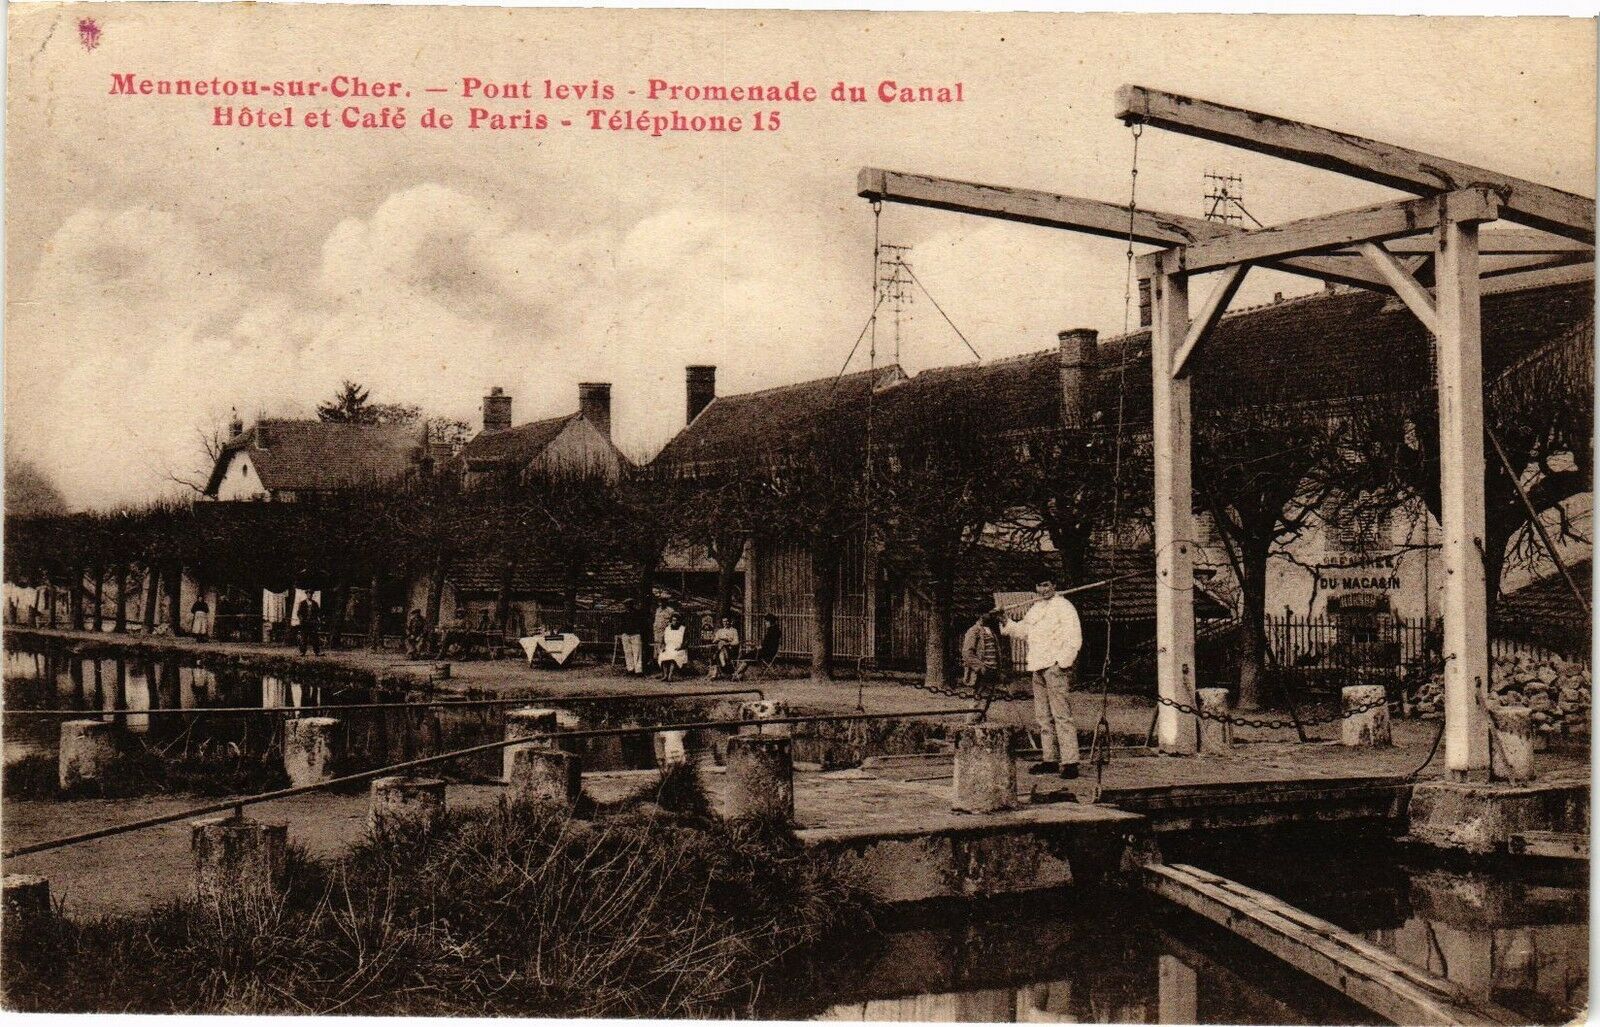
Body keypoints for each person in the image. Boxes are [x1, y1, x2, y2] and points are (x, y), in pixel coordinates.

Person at [1000, 579, 1082, 779]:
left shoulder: (1064, 607)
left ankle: (1070, 762)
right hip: (1037, 667)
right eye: (1039, 585)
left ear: (1054, 586)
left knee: (1061, 715)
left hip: (1055, 667)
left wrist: (1062, 663)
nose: (1042, 589)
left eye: (1046, 585)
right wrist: (1004, 620)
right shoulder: (1035, 608)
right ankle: (1050, 759)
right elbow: (1022, 631)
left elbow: (1074, 638)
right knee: (1043, 716)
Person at [961, 611, 1001, 693]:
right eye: (987, 612)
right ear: (980, 614)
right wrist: (980, 667)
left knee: (989, 698)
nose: (991, 614)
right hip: (980, 674)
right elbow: (967, 653)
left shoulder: (991, 630)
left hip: (992, 672)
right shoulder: (973, 630)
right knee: (977, 698)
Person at [734, 613, 781, 680]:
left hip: (766, 653)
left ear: (770, 622)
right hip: (771, 653)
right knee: (749, 656)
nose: (765, 624)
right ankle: (739, 675)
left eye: (766, 622)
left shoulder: (771, 631)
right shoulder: (776, 630)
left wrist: (757, 647)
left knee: (748, 657)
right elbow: (767, 644)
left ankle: (736, 674)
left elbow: (765, 645)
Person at [659, 613, 689, 682]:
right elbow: (663, 640)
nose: (674, 622)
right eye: (673, 620)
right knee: (662, 655)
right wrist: (663, 647)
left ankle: (670, 675)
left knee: (673, 656)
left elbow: (686, 641)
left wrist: (681, 647)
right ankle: (665, 675)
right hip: (668, 647)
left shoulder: (683, 629)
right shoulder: (667, 629)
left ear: (679, 621)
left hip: (679, 648)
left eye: (676, 620)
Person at [709, 615, 740, 679]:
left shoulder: (734, 630)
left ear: (730, 622)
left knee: (721, 647)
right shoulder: (720, 631)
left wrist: (728, 643)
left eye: (727, 621)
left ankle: (717, 670)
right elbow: (714, 641)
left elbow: (736, 642)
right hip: (721, 648)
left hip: (730, 649)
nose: (725, 623)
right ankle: (722, 663)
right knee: (721, 644)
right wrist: (717, 639)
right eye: (724, 621)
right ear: (722, 622)